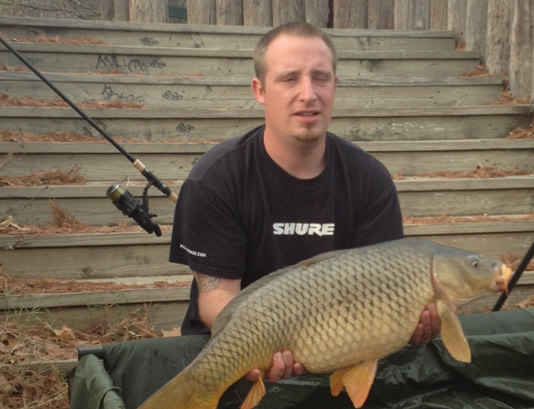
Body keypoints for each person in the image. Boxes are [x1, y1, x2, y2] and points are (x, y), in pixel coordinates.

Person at [169, 21, 440, 384]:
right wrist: (266, 340)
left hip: (336, 352)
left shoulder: (370, 180)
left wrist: (408, 323)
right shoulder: (216, 179)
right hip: (234, 360)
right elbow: (215, 298)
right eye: (289, 79)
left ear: (335, 87)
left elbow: (378, 299)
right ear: (260, 90)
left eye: (320, 77)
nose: (308, 93)